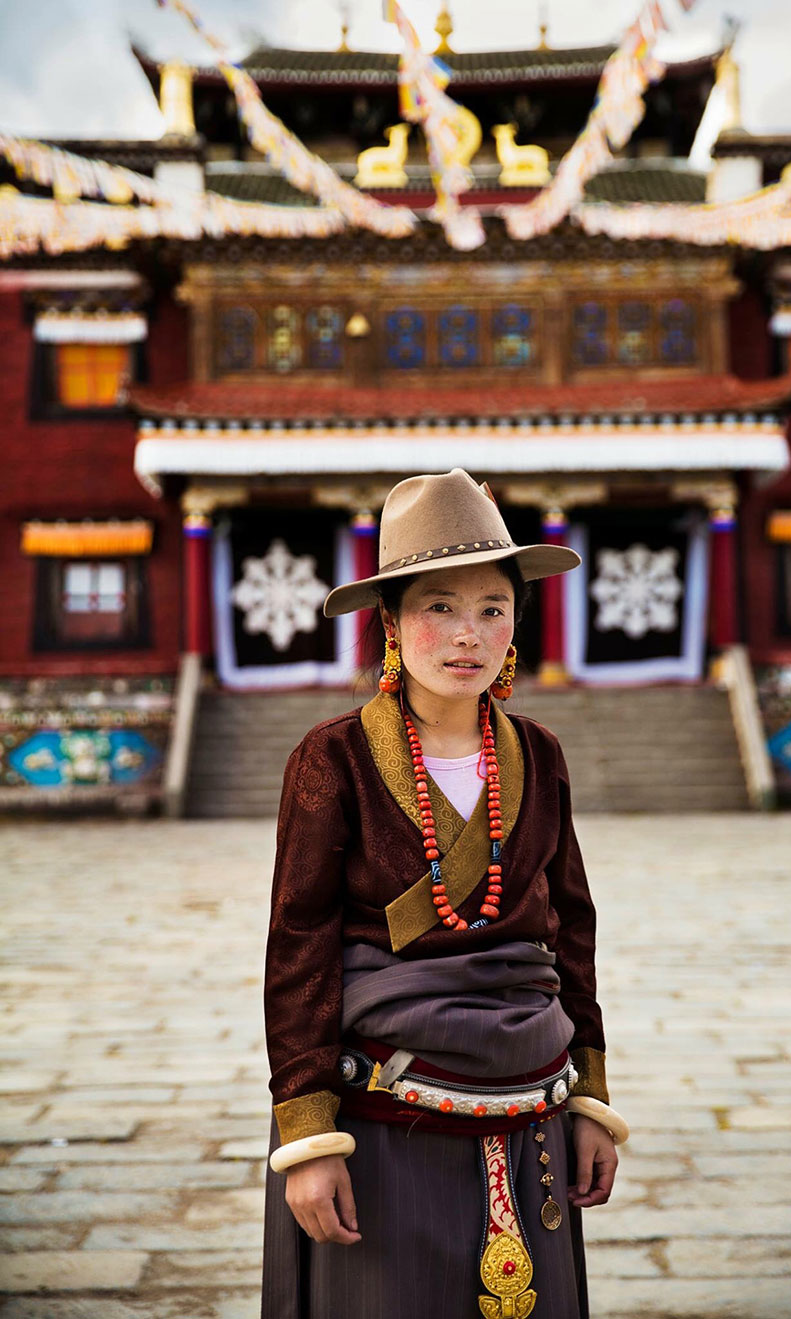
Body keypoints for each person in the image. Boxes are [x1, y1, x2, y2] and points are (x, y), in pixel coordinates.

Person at [261, 469, 628, 1319]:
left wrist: (593, 1097)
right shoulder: (336, 760)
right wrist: (309, 1136)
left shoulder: (538, 751)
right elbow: (300, 943)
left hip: (533, 1097)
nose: (469, 635)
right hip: (387, 1113)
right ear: (389, 623)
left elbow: (572, 927)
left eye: (493, 608)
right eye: (438, 607)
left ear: (517, 623)